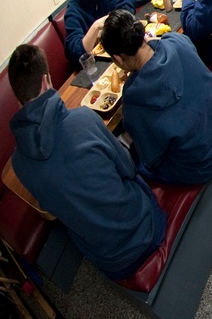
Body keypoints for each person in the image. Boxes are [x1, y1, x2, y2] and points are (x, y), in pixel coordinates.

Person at [8, 44, 165, 279]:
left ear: (16, 92)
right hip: (146, 231)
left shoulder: (17, 164)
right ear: (45, 81)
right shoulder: (83, 118)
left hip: (109, 260)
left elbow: (52, 208)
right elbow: (128, 169)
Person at [100, 10, 212, 185]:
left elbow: (151, 156)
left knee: (135, 158)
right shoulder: (176, 40)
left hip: (199, 165)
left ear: (118, 58)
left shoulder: (133, 97)